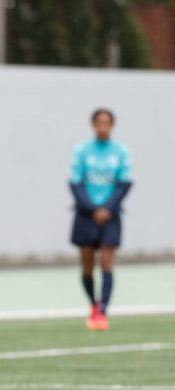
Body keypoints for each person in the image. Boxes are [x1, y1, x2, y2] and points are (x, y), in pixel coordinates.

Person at [69, 108, 132, 331]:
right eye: (99, 122)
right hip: (86, 214)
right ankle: (93, 304)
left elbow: (124, 183)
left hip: (111, 215)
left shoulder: (120, 151)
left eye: (107, 123)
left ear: (112, 125)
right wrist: (92, 208)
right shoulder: (82, 151)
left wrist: (108, 208)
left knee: (106, 260)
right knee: (87, 264)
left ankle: (102, 311)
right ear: (94, 125)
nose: (103, 126)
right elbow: (75, 182)